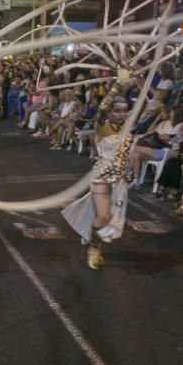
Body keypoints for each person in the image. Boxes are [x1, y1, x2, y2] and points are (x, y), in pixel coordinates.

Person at [62, 96, 135, 270]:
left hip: (120, 179)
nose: (121, 114)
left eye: (124, 110)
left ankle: (96, 244)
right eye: (117, 110)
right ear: (109, 111)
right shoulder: (102, 126)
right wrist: (119, 86)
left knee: (112, 221)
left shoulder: (126, 127)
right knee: (103, 217)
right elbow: (100, 112)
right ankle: (94, 248)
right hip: (102, 177)